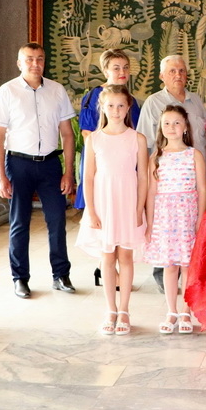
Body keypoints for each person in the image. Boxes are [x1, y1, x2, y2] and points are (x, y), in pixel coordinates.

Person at [0, 42, 76, 299]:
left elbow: (67, 135)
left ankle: (61, 275)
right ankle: (20, 278)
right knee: (20, 222)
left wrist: (68, 172)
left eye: (39, 59)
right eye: (29, 59)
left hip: (50, 164)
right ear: (19, 63)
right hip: (19, 164)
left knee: (57, 220)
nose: (35, 64)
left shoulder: (57, 91)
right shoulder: (7, 92)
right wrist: (0, 176)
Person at [76, 85, 148, 335]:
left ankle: (124, 309)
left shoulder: (137, 138)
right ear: (102, 108)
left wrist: (139, 209)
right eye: (110, 106)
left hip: (128, 203)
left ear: (128, 108)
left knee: (125, 257)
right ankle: (110, 309)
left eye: (120, 106)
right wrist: (91, 211)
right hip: (103, 204)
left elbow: (143, 178)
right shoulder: (94, 139)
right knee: (107, 257)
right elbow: (88, 177)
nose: (116, 111)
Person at [137, 55, 206, 293]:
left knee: (188, 248)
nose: (178, 75)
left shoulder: (196, 101)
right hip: (165, 177)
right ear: (162, 76)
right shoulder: (153, 103)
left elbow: (204, 138)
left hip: (191, 175)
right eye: (172, 71)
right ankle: (164, 277)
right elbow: (145, 142)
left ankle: (188, 290)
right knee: (166, 247)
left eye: (181, 70)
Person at [144, 105, 206, 334]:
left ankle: (186, 311)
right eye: (167, 123)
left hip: (186, 216)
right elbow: (152, 192)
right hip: (165, 218)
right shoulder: (156, 157)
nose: (171, 127)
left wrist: (200, 219)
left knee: (187, 266)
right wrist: (150, 224)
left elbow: (201, 189)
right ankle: (171, 311)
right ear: (161, 127)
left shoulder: (194, 155)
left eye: (177, 123)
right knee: (169, 266)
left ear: (185, 127)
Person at [75, 49, 141, 212]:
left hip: (125, 163)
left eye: (126, 67)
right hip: (102, 163)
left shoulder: (132, 100)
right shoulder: (94, 96)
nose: (122, 72)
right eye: (116, 68)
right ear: (105, 71)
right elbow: (87, 133)